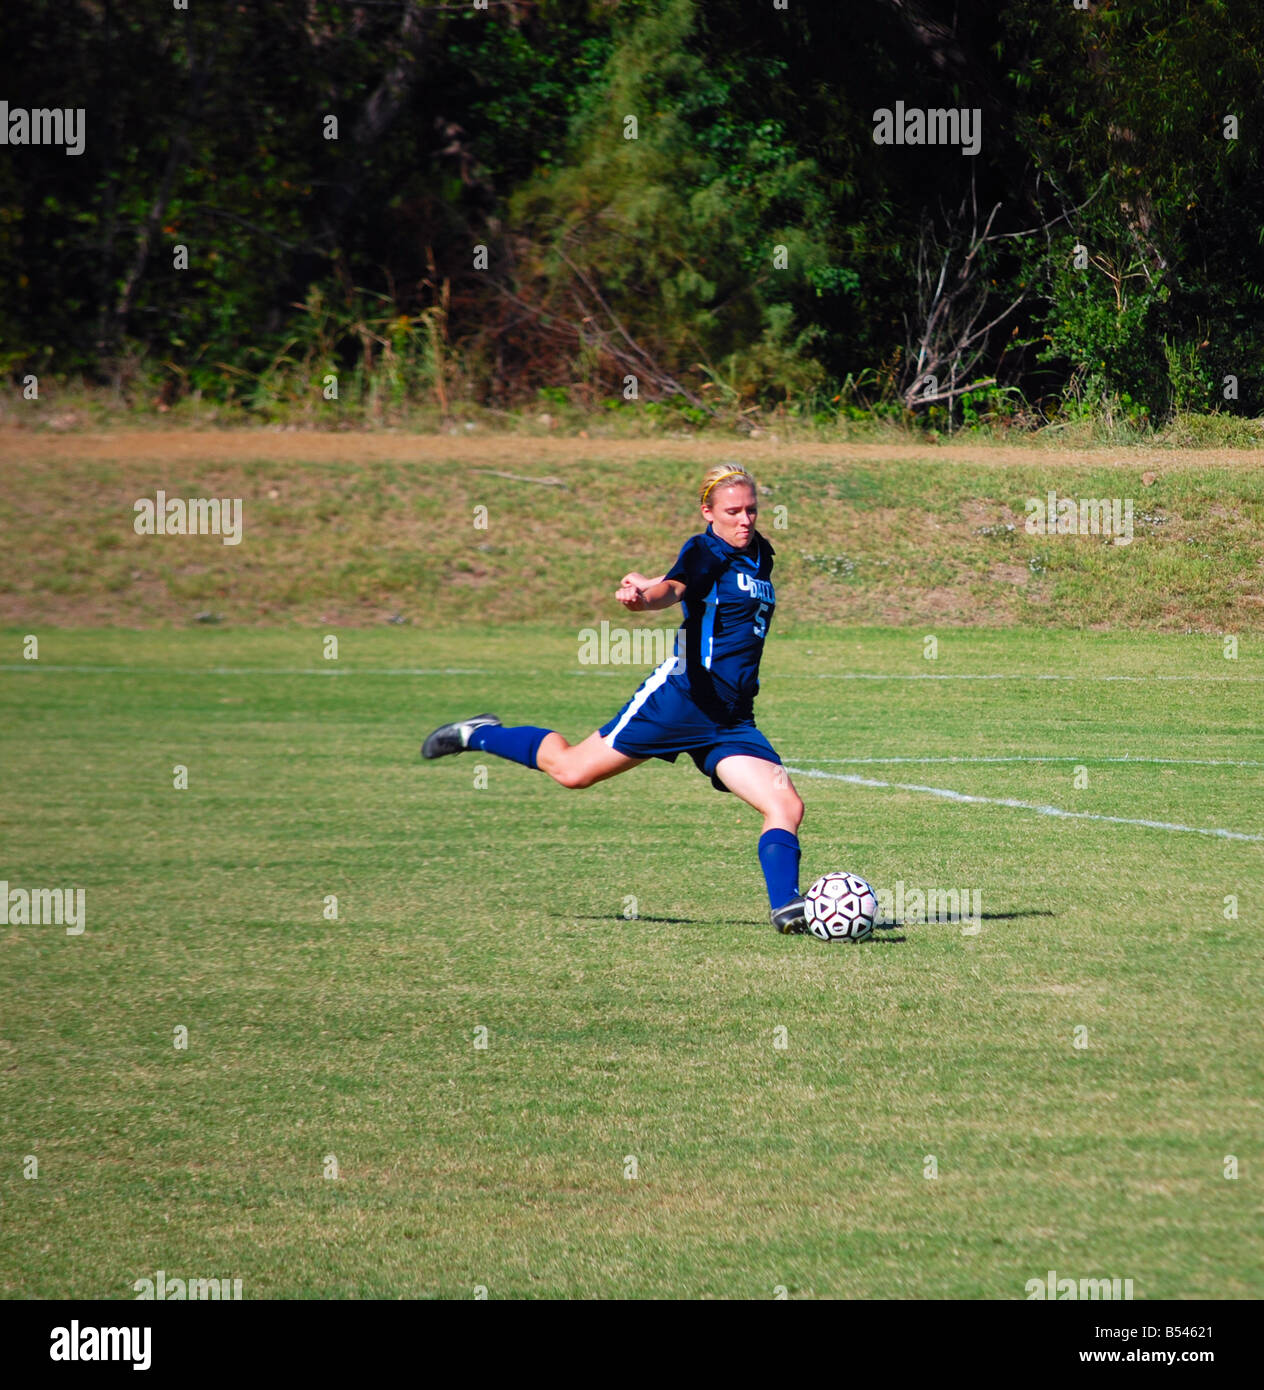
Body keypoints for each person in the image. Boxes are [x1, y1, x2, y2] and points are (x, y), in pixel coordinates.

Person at [421, 464, 809, 933]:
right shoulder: (706, 548)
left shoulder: (760, 552)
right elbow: (678, 586)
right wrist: (645, 598)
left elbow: (677, 579)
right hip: (681, 699)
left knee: (785, 806)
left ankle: (787, 910)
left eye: (751, 510)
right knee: (570, 771)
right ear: (708, 513)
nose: (744, 520)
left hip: (732, 718)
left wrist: (652, 580)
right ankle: (479, 734)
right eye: (732, 512)